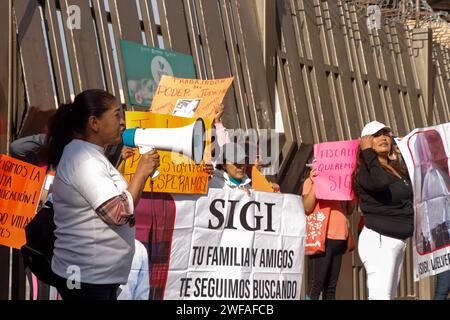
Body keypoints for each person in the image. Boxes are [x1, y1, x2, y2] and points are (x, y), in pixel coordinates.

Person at [46, 89, 160, 300]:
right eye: (116, 115)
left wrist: (142, 176)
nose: (122, 122)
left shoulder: (92, 155)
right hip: (85, 279)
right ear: (94, 123)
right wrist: (141, 174)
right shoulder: (84, 160)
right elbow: (117, 213)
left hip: (96, 278)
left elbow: (125, 203)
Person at [352, 120, 414, 300]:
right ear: (365, 143)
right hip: (379, 240)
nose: (383, 138)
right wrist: (368, 153)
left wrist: (403, 153)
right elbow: (379, 182)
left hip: (397, 241)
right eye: (376, 135)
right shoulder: (366, 171)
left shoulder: (395, 169)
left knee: (388, 296)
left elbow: (413, 189)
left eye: (386, 134)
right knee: (381, 296)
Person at [302, 166, 353, 300]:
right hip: (322, 237)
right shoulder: (310, 182)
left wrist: (350, 187)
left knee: (331, 288)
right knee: (315, 285)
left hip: (340, 238)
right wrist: (315, 182)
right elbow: (307, 207)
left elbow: (350, 209)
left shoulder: (340, 181)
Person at [413, 130, 450, 253]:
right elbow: (425, 208)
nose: (433, 148)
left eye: (435, 141)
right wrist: (429, 237)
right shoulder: (431, 175)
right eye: (429, 142)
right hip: (441, 236)